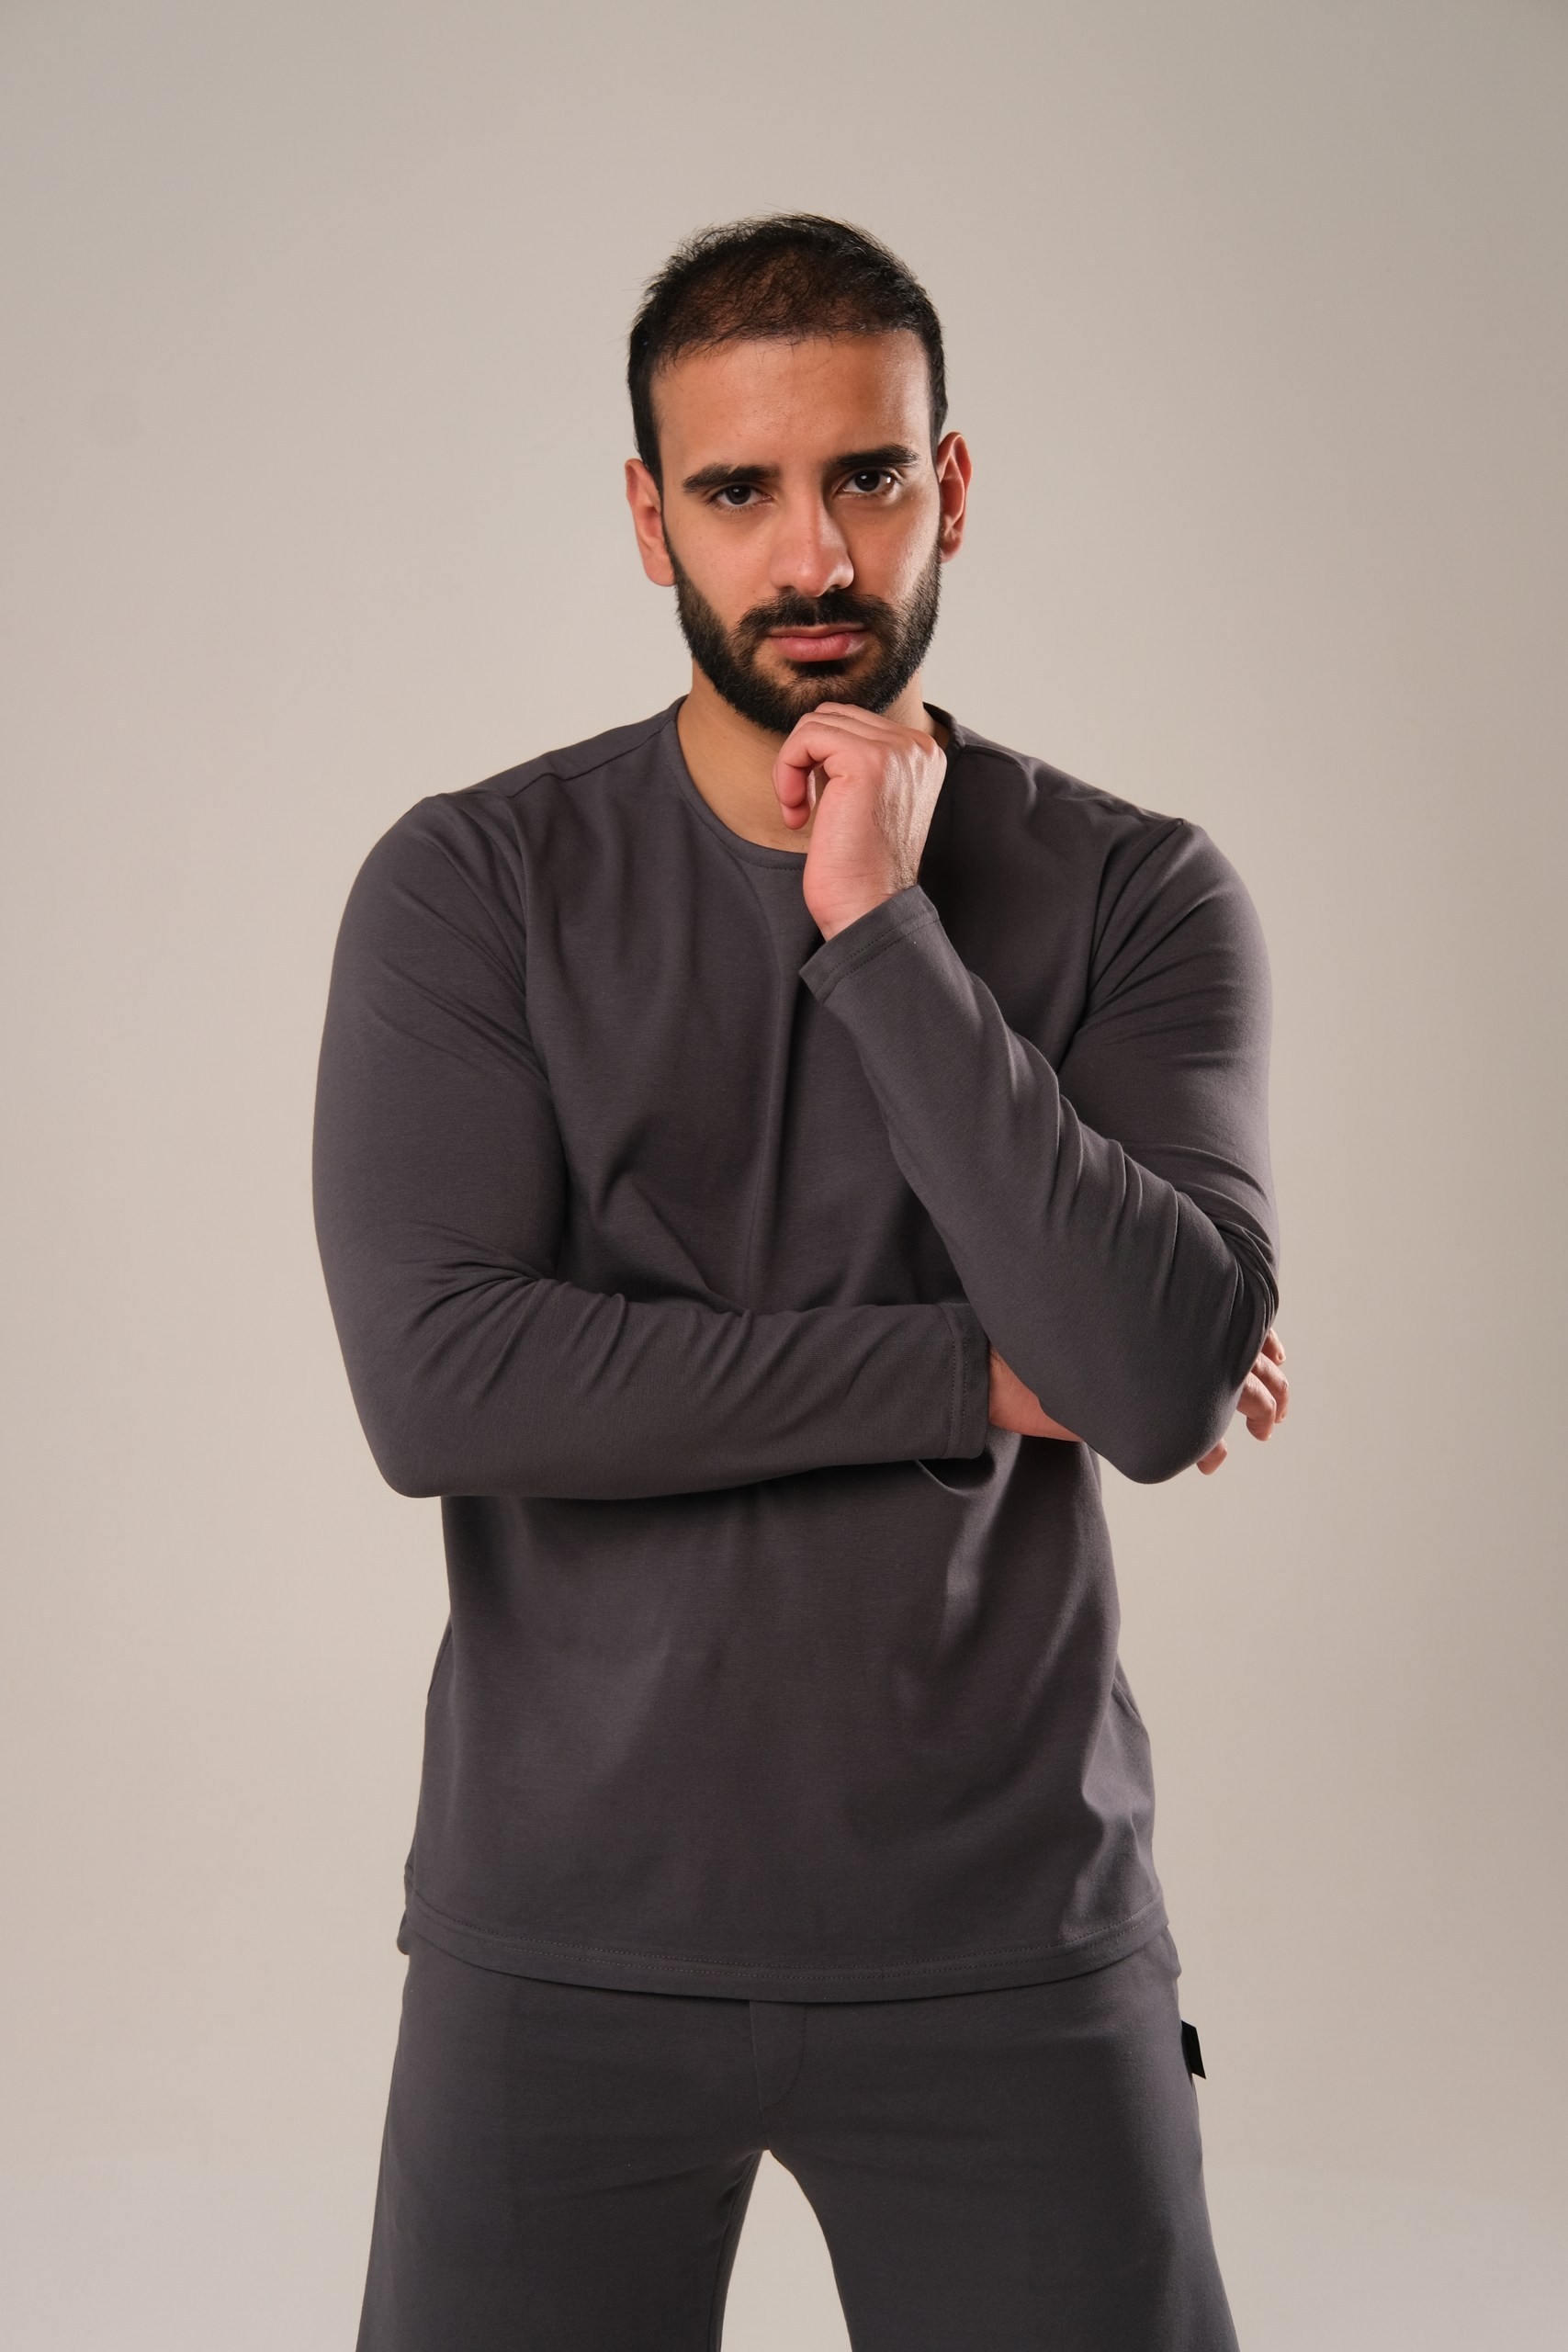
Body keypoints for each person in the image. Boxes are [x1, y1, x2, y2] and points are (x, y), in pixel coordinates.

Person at [312, 212, 1287, 2352]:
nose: (813, 553)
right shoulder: (475, 883)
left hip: (1004, 1930)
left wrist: (880, 928)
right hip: (559, 1935)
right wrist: (974, 1363)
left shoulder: (1134, 891)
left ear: (951, 485)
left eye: (864, 474)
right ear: (647, 518)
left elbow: (1148, 1375)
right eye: (739, 489)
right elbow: (445, 1380)